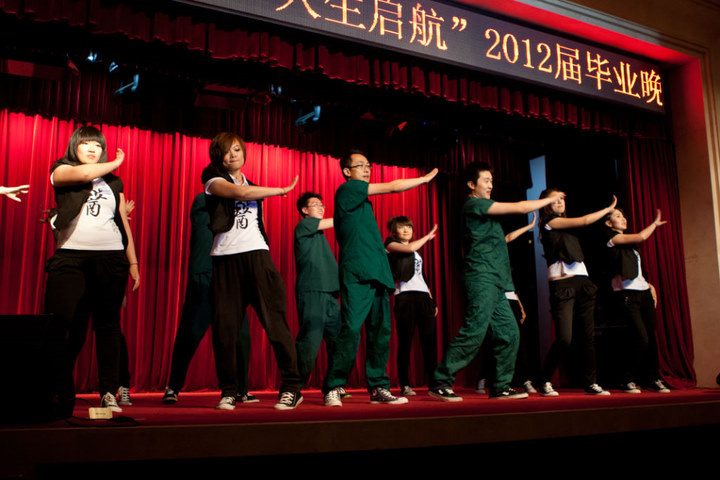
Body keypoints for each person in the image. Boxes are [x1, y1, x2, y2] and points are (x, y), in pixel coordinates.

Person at [429, 162, 562, 402]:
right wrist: (548, 200)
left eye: (492, 181)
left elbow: (503, 241)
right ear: (471, 185)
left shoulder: (485, 213)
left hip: (498, 282)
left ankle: (500, 386)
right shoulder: (475, 204)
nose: (490, 185)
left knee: (510, 333)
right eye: (486, 181)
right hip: (481, 278)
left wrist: (509, 287)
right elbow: (520, 207)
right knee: (474, 331)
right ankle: (441, 380)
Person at [322, 150, 438, 407]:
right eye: (360, 165)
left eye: (368, 165)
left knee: (380, 333)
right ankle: (333, 386)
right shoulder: (348, 189)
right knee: (351, 328)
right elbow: (393, 187)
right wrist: (423, 180)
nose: (366, 169)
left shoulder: (362, 203)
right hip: (357, 271)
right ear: (347, 171)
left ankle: (378, 387)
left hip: (378, 273)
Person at [201, 132, 302, 410]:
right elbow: (240, 193)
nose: (233, 155)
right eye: (226, 151)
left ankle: (292, 387)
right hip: (225, 259)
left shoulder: (254, 187)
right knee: (225, 329)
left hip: (257, 256)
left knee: (275, 324)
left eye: (237, 149)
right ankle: (229, 391)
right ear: (218, 156)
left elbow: (253, 204)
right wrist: (280, 190)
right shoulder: (211, 179)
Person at [44, 126, 140, 415]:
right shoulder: (61, 170)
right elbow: (84, 174)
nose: (91, 149)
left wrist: (133, 263)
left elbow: (122, 223)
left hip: (110, 258)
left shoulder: (114, 182)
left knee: (108, 326)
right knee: (59, 325)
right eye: (85, 143)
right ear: (74, 146)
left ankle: (109, 392)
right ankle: (58, 390)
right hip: (70, 258)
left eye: (97, 145)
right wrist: (116, 162)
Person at [162, 193, 256, 405]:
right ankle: (173, 386)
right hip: (204, 274)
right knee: (190, 332)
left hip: (231, 278)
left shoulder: (239, 205)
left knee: (241, 336)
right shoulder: (204, 200)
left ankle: (241, 389)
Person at [535, 188, 616, 397]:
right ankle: (544, 379)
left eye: (562, 199)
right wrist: (607, 209)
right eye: (555, 199)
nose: (560, 202)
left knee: (588, 337)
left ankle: (591, 382)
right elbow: (585, 220)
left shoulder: (566, 225)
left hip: (583, 282)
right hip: (562, 284)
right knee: (565, 338)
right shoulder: (548, 222)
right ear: (545, 204)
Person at [604, 207, 671, 393]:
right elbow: (641, 236)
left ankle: (653, 378)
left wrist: (649, 286)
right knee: (640, 337)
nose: (623, 219)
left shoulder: (630, 247)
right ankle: (628, 379)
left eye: (623, 216)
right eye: (618, 216)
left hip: (644, 293)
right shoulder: (611, 239)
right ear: (608, 223)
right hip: (627, 294)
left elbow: (636, 270)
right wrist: (654, 224)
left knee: (651, 337)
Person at [293, 192, 349, 398]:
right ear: (304, 210)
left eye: (322, 205)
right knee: (310, 341)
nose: (321, 207)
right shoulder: (304, 225)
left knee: (338, 342)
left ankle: (334, 385)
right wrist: (347, 214)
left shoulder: (319, 234)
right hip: (312, 291)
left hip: (331, 294)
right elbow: (333, 222)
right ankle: (293, 387)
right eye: (315, 204)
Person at [475, 213, 538, 395]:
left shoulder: (501, 251)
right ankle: (484, 377)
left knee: (519, 342)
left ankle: (524, 380)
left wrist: (520, 305)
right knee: (496, 342)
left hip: (511, 299)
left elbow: (509, 237)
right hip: (494, 300)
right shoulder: (482, 250)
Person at [384, 217, 438, 396]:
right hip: (405, 297)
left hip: (423, 297)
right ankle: (405, 383)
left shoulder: (416, 251)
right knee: (405, 342)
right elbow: (408, 248)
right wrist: (428, 236)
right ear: (394, 231)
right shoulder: (391, 244)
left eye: (408, 227)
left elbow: (422, 276)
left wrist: (431, 301)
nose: (406, 230)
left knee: (429, 342)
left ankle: (434, 383)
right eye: (401, 227)